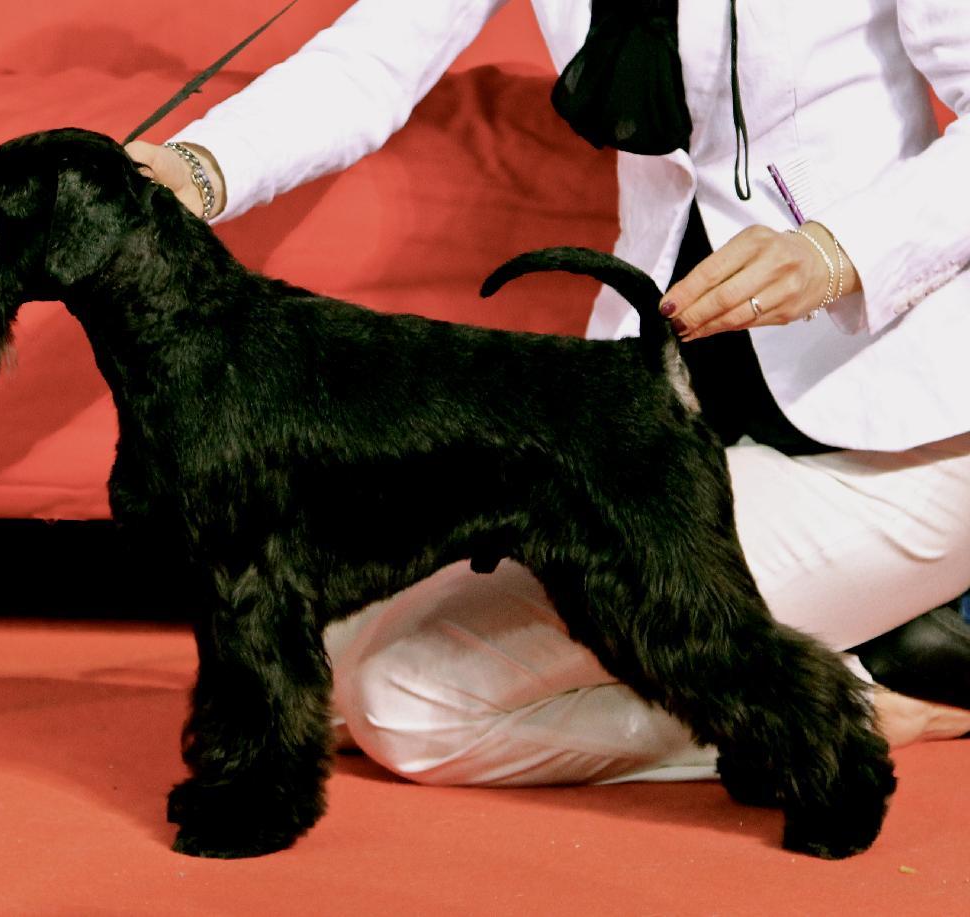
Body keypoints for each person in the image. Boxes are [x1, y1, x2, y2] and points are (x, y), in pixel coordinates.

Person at [127, 0, 970, 785]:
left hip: (890, 436)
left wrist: (842, 250)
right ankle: (830, 647)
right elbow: (375, 56)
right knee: (327, 659)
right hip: (649, 420)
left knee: (401, 703)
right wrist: (199, 168)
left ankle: (837, 702)